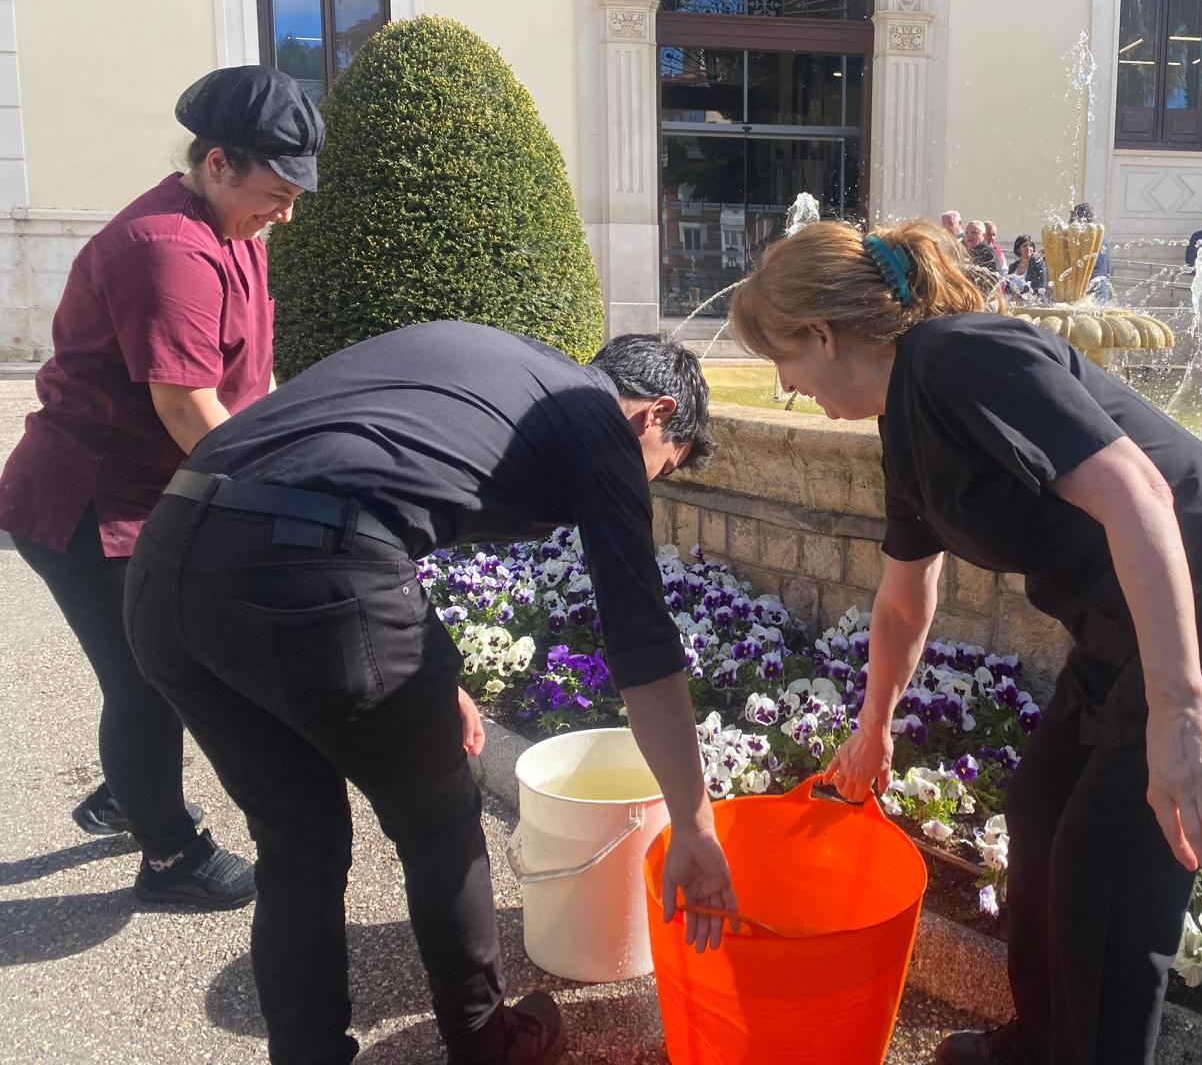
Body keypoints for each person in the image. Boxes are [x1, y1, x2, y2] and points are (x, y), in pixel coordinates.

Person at [726, 221, 1202, 1065]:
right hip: (1127, 628)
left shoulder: (959, 356)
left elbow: (1138, 494)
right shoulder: (905, 423)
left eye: (782, 361)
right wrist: (874, 727)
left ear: (822, 334)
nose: (784, 385)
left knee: (1108, 872)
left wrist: (1180, 708)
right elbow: (905, 599)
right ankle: (1036, 1046)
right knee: (1038, 813)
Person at [123, 324, 736, 1065]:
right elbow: (642, 642)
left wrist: (436, 674)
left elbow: (374, 493)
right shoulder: (596, 418)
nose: (643, 485)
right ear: (657, 414)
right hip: (307, 574)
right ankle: (487, 1045)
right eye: (660, 468)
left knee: (295, 839)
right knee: (440, 825)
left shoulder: (504, 364)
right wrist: (693, 825)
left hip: (166, 567)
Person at [0, 65, 321, 907]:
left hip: (153, 497)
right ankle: (169, 856)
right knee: (149, 677)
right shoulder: (166, 250)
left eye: (295, 197)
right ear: (217, 163)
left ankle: (127, 791)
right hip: (88, 506)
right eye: (276, 193)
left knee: (167, 662)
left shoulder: (234, 232)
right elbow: (185, 405)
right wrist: (275, 508)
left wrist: (288, 453)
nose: (285, 214)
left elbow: (247, 376)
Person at [1071, 202, 1114, 306]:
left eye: (1073, 215)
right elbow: (1108, 268)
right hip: (1102, 283)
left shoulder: (1083, 237)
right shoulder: (1101, 236)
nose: (1072, 219)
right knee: (1100, 313)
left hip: (1087, 284)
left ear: (1079, 216)